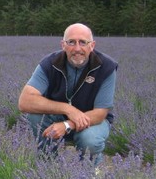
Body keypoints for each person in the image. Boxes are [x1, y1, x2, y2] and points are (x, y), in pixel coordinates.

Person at [18, 23, 117, 167]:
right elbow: (25, 102)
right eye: (71, 42)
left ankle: (90, 171)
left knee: (89, 139)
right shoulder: (50, 63)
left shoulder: (106, 67)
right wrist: (68, 109)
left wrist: (67, 125)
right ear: (63, 45)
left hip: (92, 121)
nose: (77, 48)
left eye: (83, 42)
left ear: (92, 45)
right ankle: (47, 165)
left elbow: (100, 113)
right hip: (57, 117)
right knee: (35, 115)